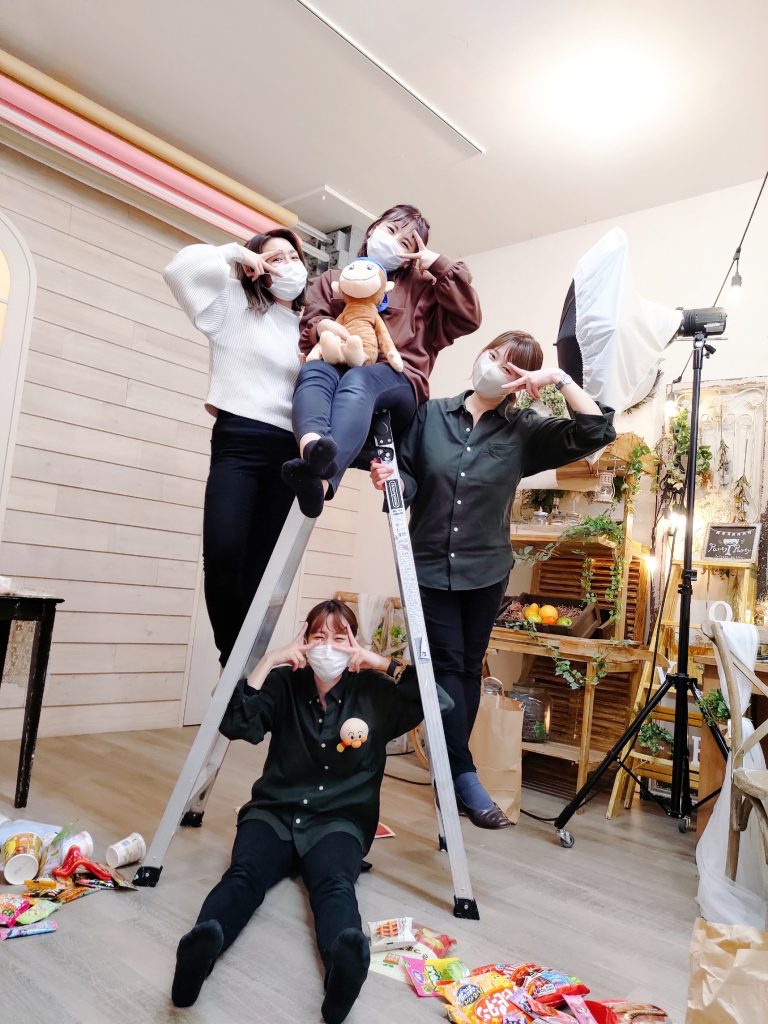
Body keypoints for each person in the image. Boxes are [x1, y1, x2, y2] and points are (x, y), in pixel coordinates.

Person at [371, 331, 616, 829]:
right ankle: (462, 774)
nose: (495, 366)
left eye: (510, 366)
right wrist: (392, 480)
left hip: (485, 570)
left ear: (520, 381)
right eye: (494, 355)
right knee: (445, 665)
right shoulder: (430, 415)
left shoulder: (524, 430)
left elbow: (596, 431)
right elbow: (411, 477)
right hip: (428, 564)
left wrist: (558, 378)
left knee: (466, 668)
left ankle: (453, 775)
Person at [171, 599, 452, 1023]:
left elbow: (440, 702)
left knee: (335, 885)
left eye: (340, 638)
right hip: (273, 811)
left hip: (339, 821)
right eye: (318, 636)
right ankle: (203, 946)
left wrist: (380, 662)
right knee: (244, 875)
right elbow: (234, 722)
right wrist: (269, 660)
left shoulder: (374, 692)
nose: (328, 647)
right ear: (303, 641)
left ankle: (344, 964)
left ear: (354, 644)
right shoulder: (285, 682)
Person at [163, 230, 308, 664]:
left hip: (290, 452)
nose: (288, 264)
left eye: (293, 256)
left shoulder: (311, 325)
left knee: (262, 567)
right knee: (224, 552)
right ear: (255, 268)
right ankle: (233, 658)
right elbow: (179, 270)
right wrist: (233, 253)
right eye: (275, 258)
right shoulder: (231, 303)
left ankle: (249, 664)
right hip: (239, 440)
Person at [282, 204, 482, 517]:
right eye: (391, 230)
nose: (393, 242)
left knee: (360, 379)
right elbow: (312, 323)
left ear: (411, 256)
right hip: (337, 366)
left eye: (405, 243)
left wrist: (438, 265)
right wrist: (323, 327)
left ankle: (323, 479)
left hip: (397, 379)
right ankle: (313, 454)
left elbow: (468, 317)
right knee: (314, 372)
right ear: (373, 227)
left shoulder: (425, 291)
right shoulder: (335, 279)